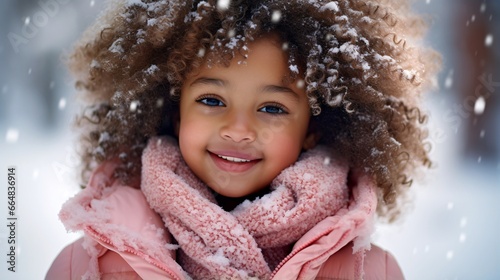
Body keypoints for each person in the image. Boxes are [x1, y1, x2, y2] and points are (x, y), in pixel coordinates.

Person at [46, 0, 439, 279]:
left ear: (315, 126)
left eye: (271, 108)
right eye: (212, 100)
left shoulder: (366, 271)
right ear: (175, 110)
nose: (237, 129)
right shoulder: (91, 265)